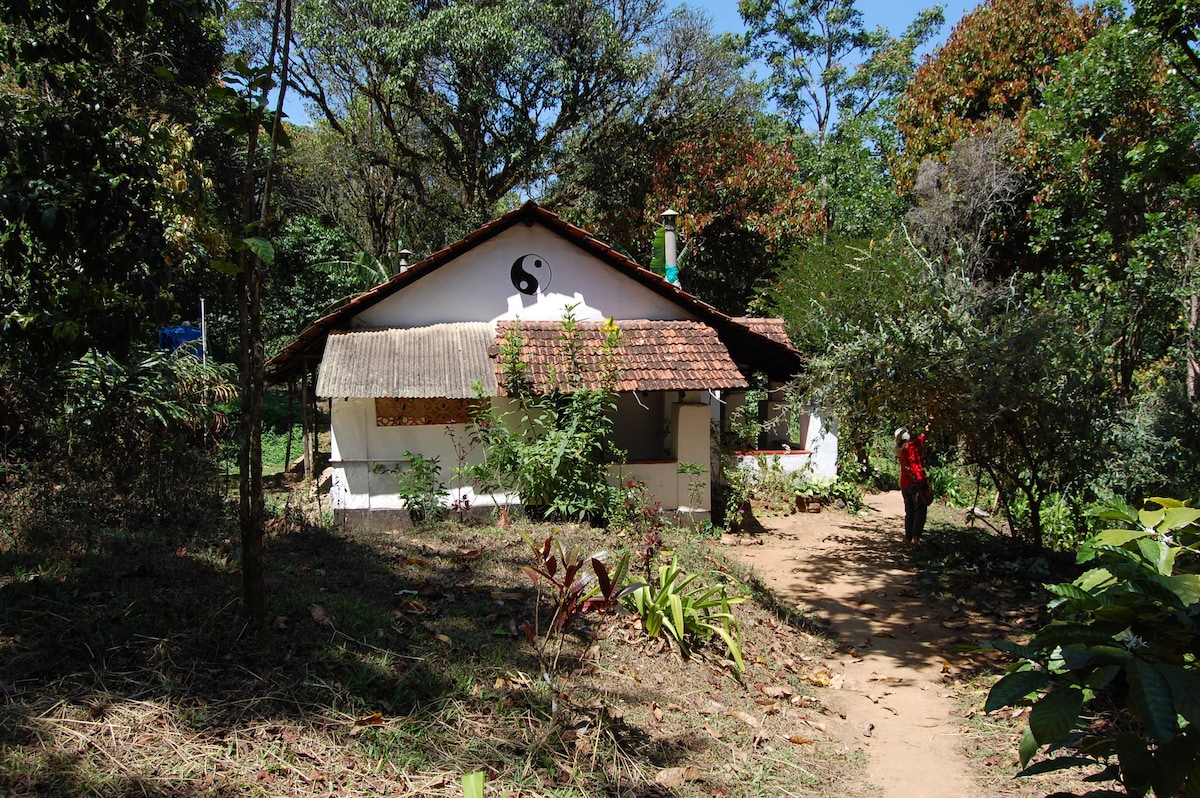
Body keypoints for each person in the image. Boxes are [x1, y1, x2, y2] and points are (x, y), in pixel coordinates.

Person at [895, 416, 933, 546]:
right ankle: (915, 539)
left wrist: (912, 426)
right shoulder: (912, 446)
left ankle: (908, 537)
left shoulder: (899, 450)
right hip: (916, 482)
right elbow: (925, 434)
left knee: (909, 512)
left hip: (905, 484)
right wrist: (930, 421)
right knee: (919, 511)